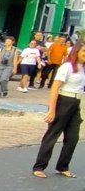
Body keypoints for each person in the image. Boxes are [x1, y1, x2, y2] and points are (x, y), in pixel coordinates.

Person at [32, 41, 84, 178]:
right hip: (63, 102)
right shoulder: (67, 67)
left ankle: (63, 166)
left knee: (73, 137)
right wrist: (52, 110)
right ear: (77, 52)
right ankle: (39, 166)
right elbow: (55, 88)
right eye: (84, 51)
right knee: (52, 135)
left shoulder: (83, 68)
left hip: (76, 102)